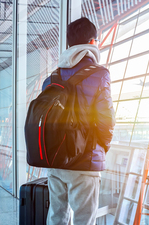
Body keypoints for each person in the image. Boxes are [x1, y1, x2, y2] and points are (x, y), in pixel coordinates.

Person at [42, 17, 115, 225]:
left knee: (57, 216)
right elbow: (106, 119)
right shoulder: (100, 74)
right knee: (84, 220)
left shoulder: (53, 78)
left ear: (69, 45)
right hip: (84, 161)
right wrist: (103, 147)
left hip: (55, 161)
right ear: (93, 43)